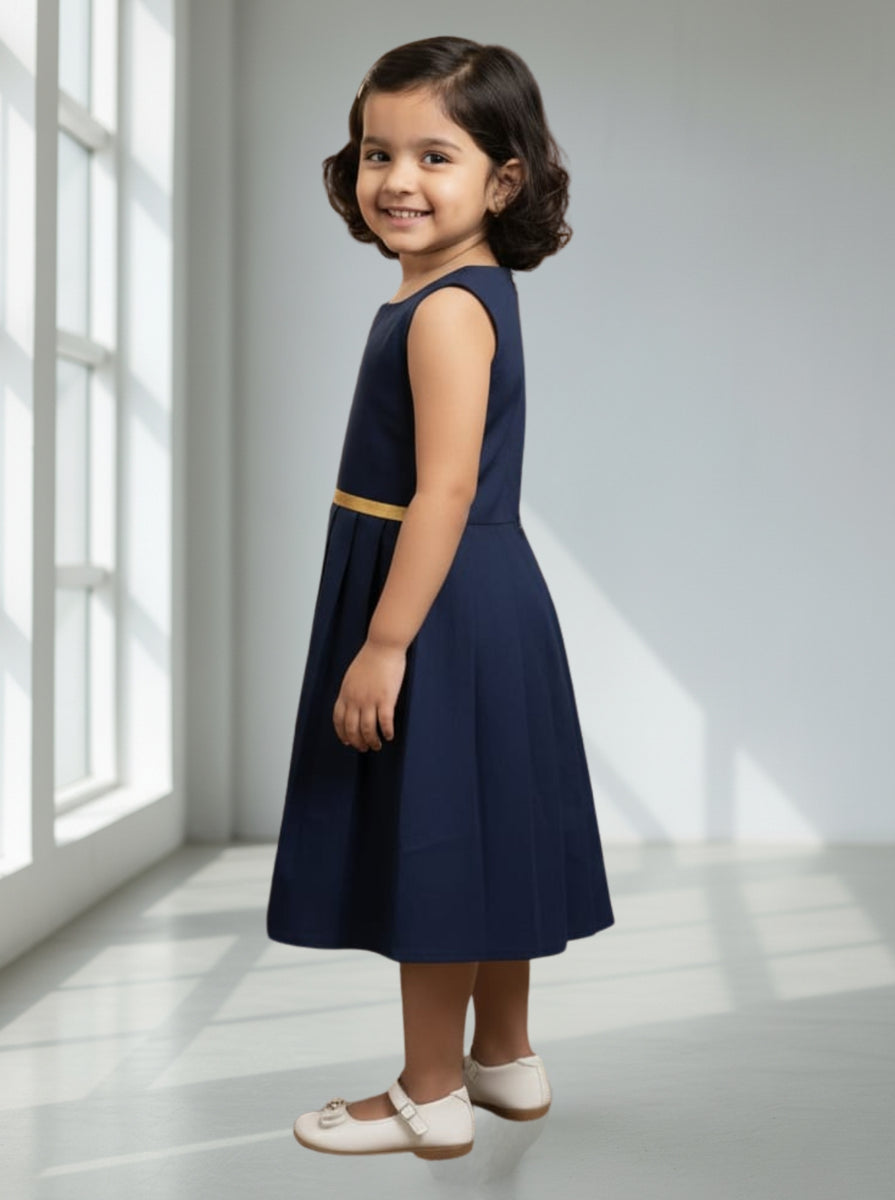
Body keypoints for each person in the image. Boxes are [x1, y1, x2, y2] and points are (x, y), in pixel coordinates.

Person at [267, 34, 615, 1160]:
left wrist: (384, 641)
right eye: (379, 152)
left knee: (436, 842)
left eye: (435, 155)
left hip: (437, 598)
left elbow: (447, 485)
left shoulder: (446, 310)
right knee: (486, 830)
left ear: (502, 179)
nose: (398, 181)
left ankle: (429, 1091)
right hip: (476, 589)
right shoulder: (462, 293)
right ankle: (502, 1058)